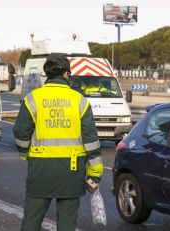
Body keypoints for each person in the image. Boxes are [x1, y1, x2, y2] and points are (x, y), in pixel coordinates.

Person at [13, 54, 103, 231]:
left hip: (40, 170)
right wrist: (94, 175)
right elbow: (91, 141)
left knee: (31, 223)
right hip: (71, 172)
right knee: (67, 225)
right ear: (66, 73)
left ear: (47, 74)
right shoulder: (80, 101)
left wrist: (26, 155)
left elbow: (21, 134)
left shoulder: (33, 99)